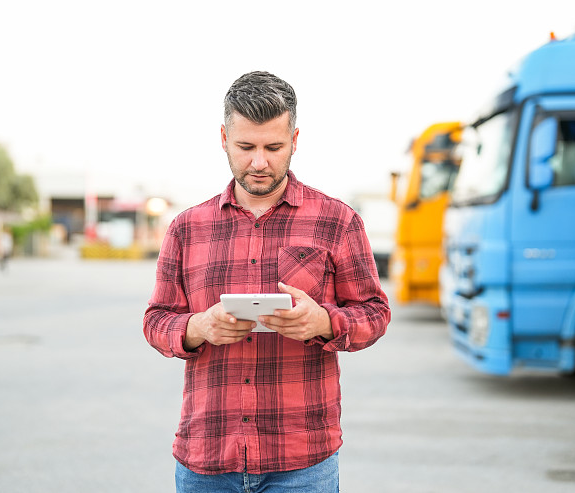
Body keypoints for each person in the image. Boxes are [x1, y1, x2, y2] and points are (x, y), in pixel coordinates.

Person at [143, 71, 391, 493]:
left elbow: (375, 314)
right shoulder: (187, 227)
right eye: (246, 147)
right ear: (224, 138)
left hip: (302, 463)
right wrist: (198, 327)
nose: (259, 162)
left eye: (273, 148)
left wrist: (323, 322)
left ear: (295, 140)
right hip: (207, 456)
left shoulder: (338, 221)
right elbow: (155, 321)